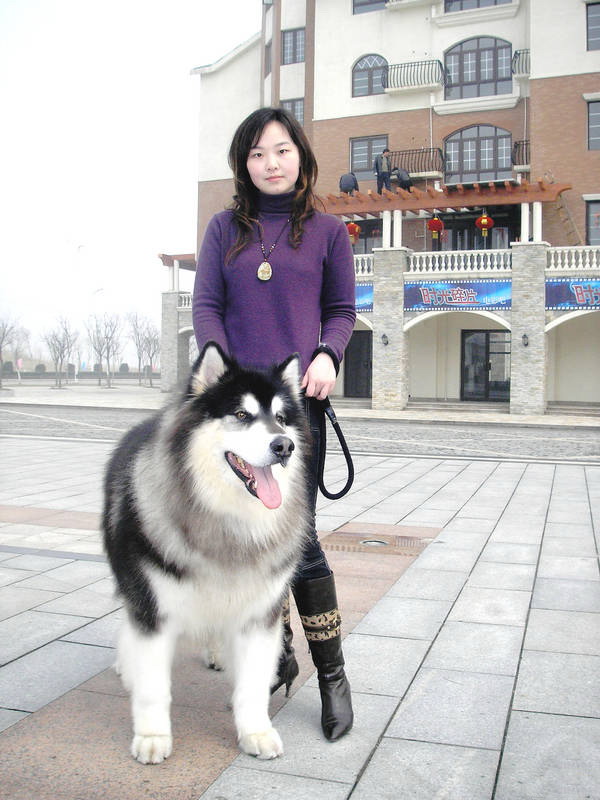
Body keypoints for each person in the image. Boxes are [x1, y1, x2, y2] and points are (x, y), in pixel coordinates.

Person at [192, 107, 355, 742]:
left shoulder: (327, 232)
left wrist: (327, 353)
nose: (271, 163)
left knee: (297, 538)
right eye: (258, 154)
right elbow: (207, 304)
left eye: (281, 151)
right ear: (244, 164)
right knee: (241, 535)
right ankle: (276, 649)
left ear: (300, 157)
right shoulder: (222, 229)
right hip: (234, 414)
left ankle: (332, 675)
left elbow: (341, 309)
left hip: (293, 411)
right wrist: (221, 372)